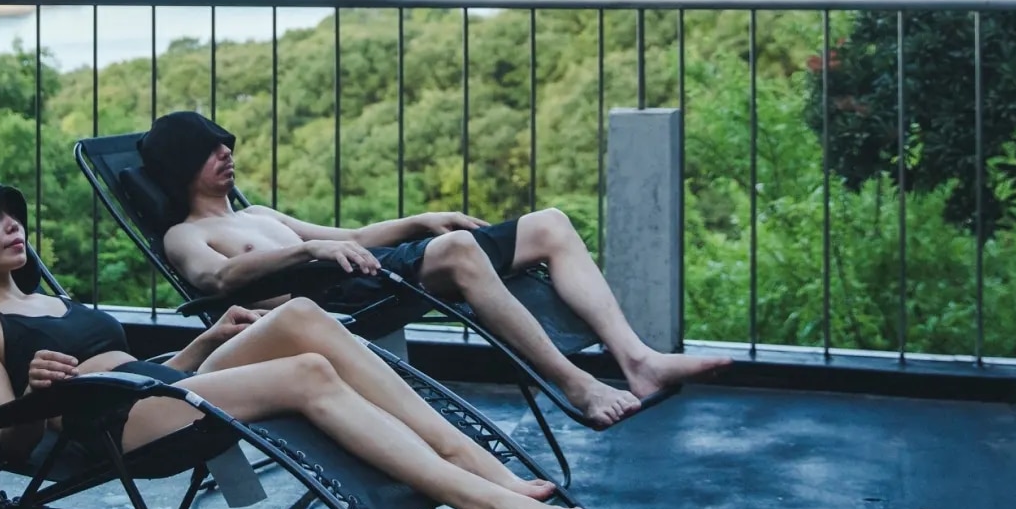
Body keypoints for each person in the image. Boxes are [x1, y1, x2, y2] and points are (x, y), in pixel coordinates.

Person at [0, 173, 584, 509]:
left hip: (156, 388)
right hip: (106, 424)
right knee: (307, 374)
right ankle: (477, 502)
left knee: (300, 317)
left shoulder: (48, 298)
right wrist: (37, 398)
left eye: (13, 215)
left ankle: (473, 462)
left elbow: (136, 364)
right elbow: (8, 444)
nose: (14, 225)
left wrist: (204, 344)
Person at [139, 111, 731, 429]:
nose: (226, 153)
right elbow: (217, 282)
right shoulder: (183, 235)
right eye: (210, 150)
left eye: (225, 145)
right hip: (332, 298)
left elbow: (353, 239)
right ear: (179, 166)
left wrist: (421, 220)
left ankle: (637, 360)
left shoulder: (258, 214)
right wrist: (305, 252)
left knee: (549, 224)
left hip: (368, 269)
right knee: (462, 251)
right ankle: (575, 384)